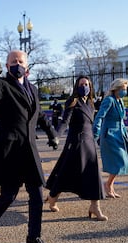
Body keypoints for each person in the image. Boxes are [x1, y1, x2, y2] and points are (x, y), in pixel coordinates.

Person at [0, 51, 59, 243]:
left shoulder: (32, 88)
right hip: (10, 151)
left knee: (37, 194)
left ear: (28, 67)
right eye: (13, 62)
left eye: (20, 61)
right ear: (6, 67)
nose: (17, 64)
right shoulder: (2, 85)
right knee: (9, 195)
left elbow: (39, 115)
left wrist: (51, 133)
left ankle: (34, 237)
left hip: (30, 152)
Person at [44, 75, 107, 221]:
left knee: (93, 174)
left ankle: (95, 206)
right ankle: (52, 197)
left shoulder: (91, 103)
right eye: (81, 84)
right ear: (76, 87)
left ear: (90, 86)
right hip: (76, 142)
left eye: (86, 84)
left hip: (89, 142)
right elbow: (65, 122)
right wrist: (57, 136)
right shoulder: (72, 101)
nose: (84, 86)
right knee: (66, 173)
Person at [93, 78, 128, 198]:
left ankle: (109, 185)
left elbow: (121, 119)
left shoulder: (119, 101)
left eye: (125, 89)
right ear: (116, 89)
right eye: (123, 89)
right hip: (110, 134)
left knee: (124, 161)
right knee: (119, 161)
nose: (125, 91)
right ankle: (108, 185)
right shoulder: (109, 100)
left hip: (120, 134)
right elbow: (99, 116)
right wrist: (96, 131)